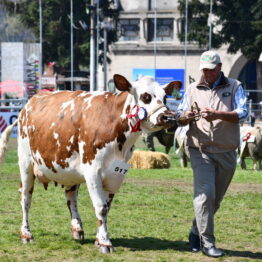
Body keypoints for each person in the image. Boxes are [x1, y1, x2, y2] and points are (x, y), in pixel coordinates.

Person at [177, 50, 248, 258]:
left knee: (215, 200)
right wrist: (185, 117)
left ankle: (194, 230)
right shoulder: (191, 89)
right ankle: (207, 243)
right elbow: (180, 115)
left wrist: (218, 115)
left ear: (219, 68)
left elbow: (243, 113)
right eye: (204, 70)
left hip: (227, 151)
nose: (206, 73)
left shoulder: (235, 86)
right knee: (205, 195)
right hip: (200, 149)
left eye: (210, 70)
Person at [144, 81, 182, 153]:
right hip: (156, 119)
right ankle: (152, 152)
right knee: (149, 135)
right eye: (174, 87)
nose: (176, 89)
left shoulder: (170, 94)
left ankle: (167, 153)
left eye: (177, 88)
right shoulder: (158, 93)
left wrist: (176, 92)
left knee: (170, 136)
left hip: (167, 118)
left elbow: (178, 99)